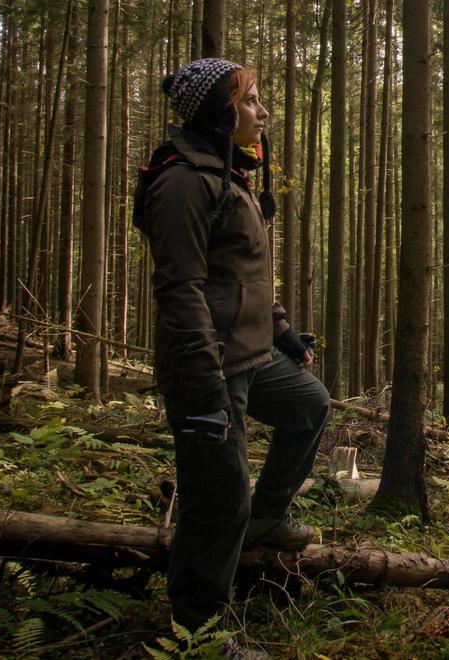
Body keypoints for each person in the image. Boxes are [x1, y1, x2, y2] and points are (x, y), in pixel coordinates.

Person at [134, 57, 329, 649]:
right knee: (216, 503)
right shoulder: (182, 182)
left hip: (251, 355)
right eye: (249, 101)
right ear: (219, 111)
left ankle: (267, 515)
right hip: (208, 366)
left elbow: (241, 274)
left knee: (309, 406)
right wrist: (202, 388)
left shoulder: (225, 174)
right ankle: (197, 632)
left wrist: (282, 332)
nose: (262, 112)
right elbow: (181, 290)